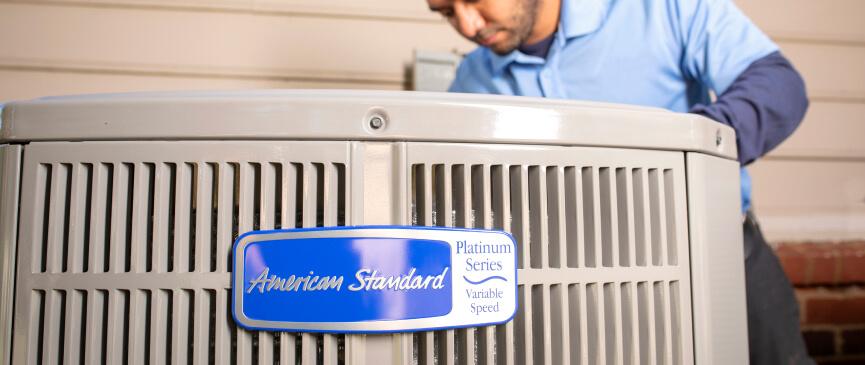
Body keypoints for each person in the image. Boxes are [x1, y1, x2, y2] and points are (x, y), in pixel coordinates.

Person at [426, 0, 812, 363]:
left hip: (716, 261)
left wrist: (681, 154)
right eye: (445, 12)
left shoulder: (664, 10)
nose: (467, 24)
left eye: (475, 0)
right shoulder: (471, 79)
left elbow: (778, 86)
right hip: (568, 296)